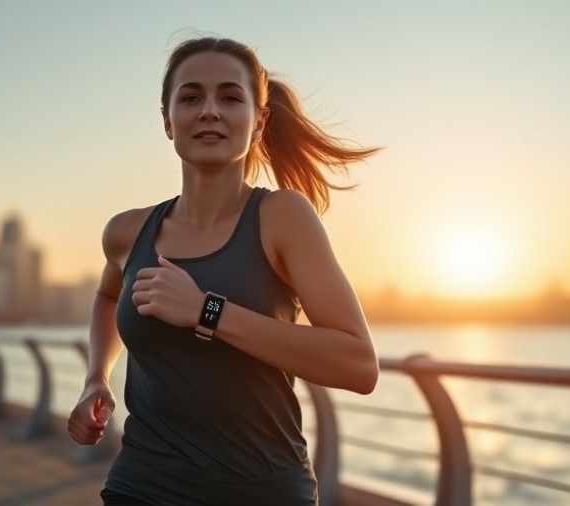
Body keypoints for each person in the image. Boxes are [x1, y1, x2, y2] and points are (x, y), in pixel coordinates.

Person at [67, 36, 380, 505]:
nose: (209, 110)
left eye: (230, 97)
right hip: (141, 486)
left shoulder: (282, 218)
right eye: (190, 97)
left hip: (262, 492)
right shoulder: (127, 232)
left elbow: (359, 365)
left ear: (259, 121)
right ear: (167, 121)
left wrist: (205, 311)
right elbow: (108, 297)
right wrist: (96, 377)